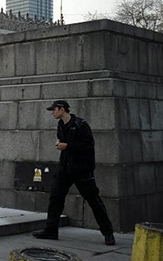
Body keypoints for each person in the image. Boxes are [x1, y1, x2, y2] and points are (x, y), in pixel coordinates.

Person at [33, 100, 115, 246]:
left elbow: (88, 145)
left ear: (62, 109)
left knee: (93, 200)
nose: (52, 112)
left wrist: (68, 146)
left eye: (54, 110)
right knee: (55, 197)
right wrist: (61, 146)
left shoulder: (80, 124)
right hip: (65, 168)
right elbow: (64, 143)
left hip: (82, 169)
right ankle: (51, 230)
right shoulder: (60, 125)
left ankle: (108, 232)